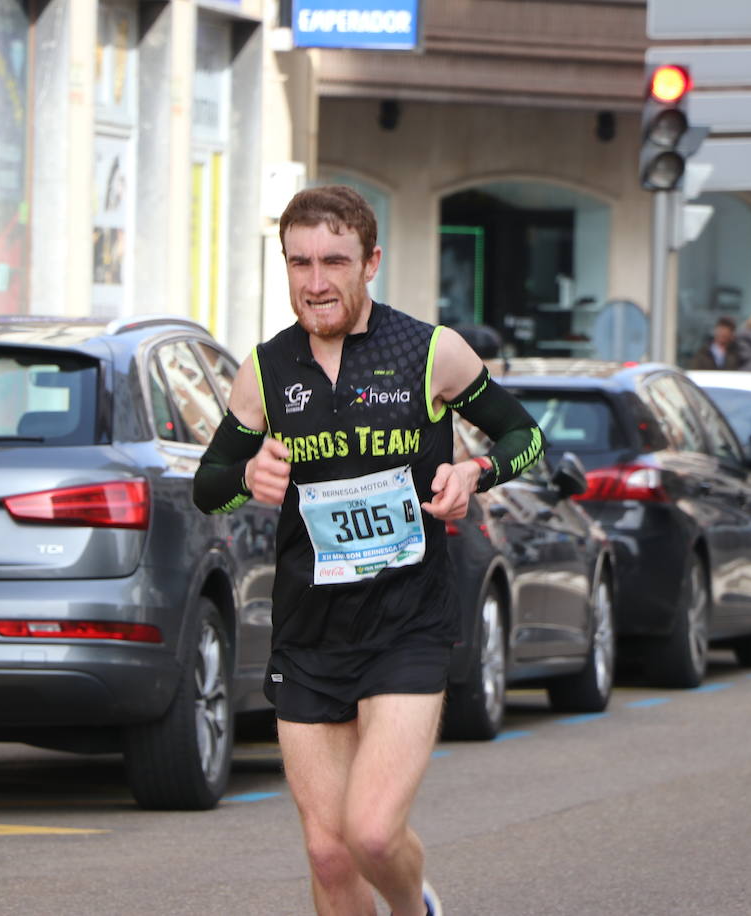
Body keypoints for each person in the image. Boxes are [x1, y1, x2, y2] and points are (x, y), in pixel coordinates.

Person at [193, 185, 545, 916]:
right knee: (327, 853)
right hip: (309, 632)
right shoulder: (265, 371)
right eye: (298, 263)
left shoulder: (429, 352)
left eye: (333, 261)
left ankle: (417, 909)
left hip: (406, 625)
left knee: (374, 835)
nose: (314, 282)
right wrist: (246, 478)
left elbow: (525, 436)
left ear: (371, 261)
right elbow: (207, 487)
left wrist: (473, 472)